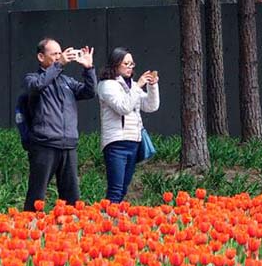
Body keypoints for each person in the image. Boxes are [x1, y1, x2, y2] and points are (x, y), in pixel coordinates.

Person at [22, 37, 96, 211]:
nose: (59, 56)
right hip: (44, 145)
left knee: (72, 199)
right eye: (54, 54)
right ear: (41, 57)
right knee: (36, 195)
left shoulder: (66, 81)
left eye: (60, 53)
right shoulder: (32, 78)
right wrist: (59, 65)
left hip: (68, 145)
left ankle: (70, 233)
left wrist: (89, 68)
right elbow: (38, 86)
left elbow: (89, 92)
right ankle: (27, 232)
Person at [97, 47, 160, 203]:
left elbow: (151, 106)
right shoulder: (107, 85)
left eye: (132, 64)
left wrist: (152, 87)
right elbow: (123, 107)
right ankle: (105, 223)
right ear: (115, 64)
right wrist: (137, 87)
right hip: (116, 143)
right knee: (115, 189)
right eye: (126, 63)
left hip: (134, 141)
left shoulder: (132, 85)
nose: (130, 67)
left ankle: (114, 222)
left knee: (123, 188)